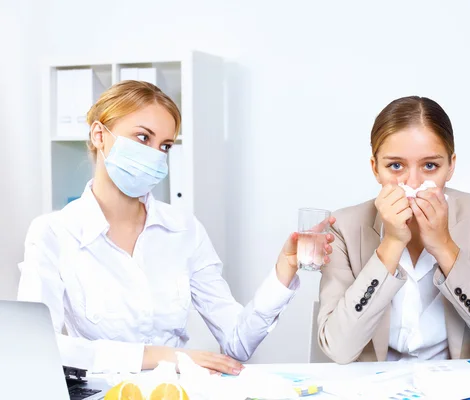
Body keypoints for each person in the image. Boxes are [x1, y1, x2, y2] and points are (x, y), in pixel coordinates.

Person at [17, 80, 335, 374]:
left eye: (165, 146)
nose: (155, 155)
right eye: (143, 138)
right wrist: (161, 356)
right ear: (99, 135)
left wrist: (284, 269)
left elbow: (237, 342)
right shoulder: (54, 233)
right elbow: (38, 347)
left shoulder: (184, 230)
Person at [317, 96, 470, 366]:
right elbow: (339, 348)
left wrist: (444, 247)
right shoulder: (344, 228)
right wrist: (392, 244)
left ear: (451, 166)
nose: (414, 183)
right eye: (396, 166)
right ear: (375, 168)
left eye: (430, 166)